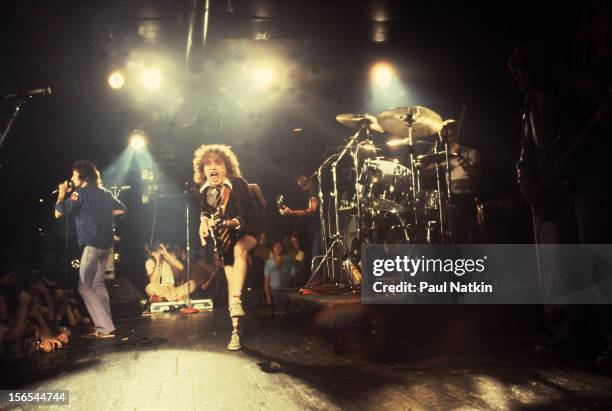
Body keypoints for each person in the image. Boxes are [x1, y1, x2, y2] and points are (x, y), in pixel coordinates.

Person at [509, 42, 611, 363]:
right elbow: (526, 149)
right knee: (567, 264)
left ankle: (607, 337)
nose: (516, 79)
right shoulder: (529, 104)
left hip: (586, 181)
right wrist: (524, 177)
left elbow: (592, 139)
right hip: (558, 191)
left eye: (518, 72)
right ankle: (573, 334)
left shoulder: (573, 91)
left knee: (597, 259)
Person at [194, 144, 263, 351]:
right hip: (224, 241)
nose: (212, 167)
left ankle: (235, 300)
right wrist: (203, 224)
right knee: (234, 287)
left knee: (239, 250)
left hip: (247, 232)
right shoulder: (204, 189)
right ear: (203, 169)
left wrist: (224, 223)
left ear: (227, 166)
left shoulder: (238, 184)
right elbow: (205, 212)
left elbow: (245, 217)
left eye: (217, 163)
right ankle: (235, 331)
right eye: (208, 164)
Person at [55, 160, 126, 339]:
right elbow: (123, 210)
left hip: (92, 244)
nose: (71, 178)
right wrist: (103, 215)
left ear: (83, 176)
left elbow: (58, 212)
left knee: (84, 286)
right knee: (98, 284)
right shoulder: (105, 193)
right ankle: (107, 325)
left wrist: (62, 194)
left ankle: (105, 327)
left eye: (74, 175)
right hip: (106, 244)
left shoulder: (79, 193)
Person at [426, 120, 482, 243]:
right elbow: (427, 173)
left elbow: (477, 175)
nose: (448, 139)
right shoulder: (444, 156)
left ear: (457, 134)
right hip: (452, 200)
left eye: (449, 135)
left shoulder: (471, 152)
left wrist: (460, 158)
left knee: (473, 238)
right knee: (456, 237)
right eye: (444, 137)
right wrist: (431, 154)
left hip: (468, 199)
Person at [278, 173, 322, 274]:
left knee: (315, 257)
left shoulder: (313, 185)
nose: (298, 182)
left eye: (300, 178)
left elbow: (312, 209)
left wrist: (291, 212)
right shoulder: (308, 191)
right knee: (309, 259)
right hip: (311, 232)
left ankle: (317, 281)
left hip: (319, 229)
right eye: (296, 181)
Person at [263, 240, 295, 306]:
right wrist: (268, 296)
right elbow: (266, 281)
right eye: (275, 246)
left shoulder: (288, 260)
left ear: (282, 248)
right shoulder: (268, 263)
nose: (277, 248)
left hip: (287, 292)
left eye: (279, 246)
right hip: (274, 293)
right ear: (273, 248)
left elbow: (294, 276)